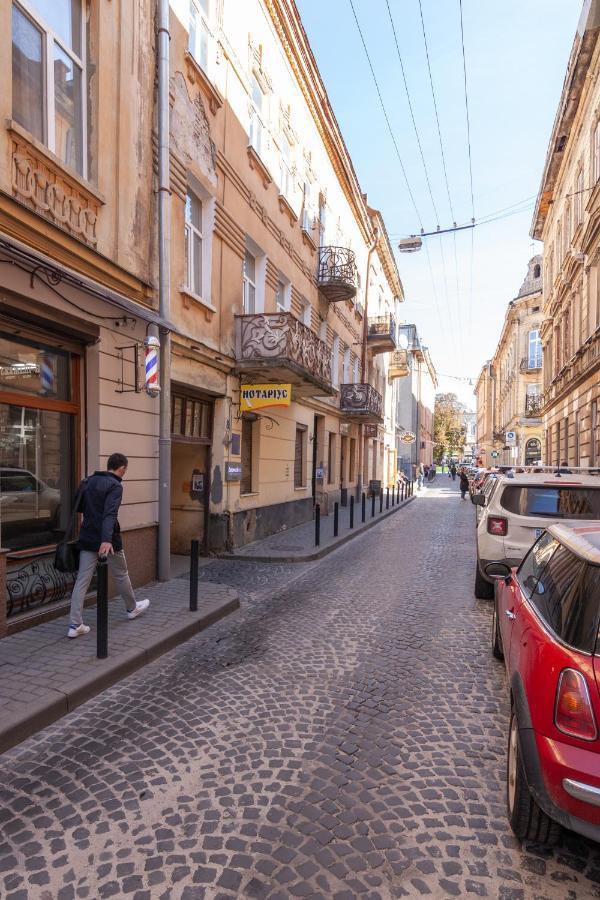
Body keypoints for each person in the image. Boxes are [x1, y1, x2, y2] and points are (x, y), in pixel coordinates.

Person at [67, 453, 149, 639]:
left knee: (82, 580)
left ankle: (75, 624)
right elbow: (110, 514)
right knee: (121, 574)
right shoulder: (115, 485)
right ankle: (132, 608)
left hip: (87, 535)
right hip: (108, 539)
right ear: (122, 468)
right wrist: (106, 540)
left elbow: (77, 507)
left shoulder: (88, 481)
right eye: (125, 470)